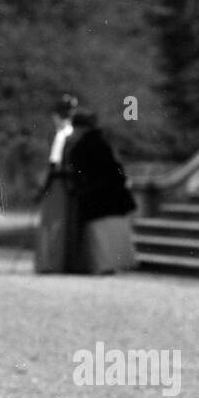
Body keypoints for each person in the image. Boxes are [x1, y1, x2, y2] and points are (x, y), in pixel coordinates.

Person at [66, 109, 137, 274]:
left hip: (96, 196)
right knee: (111, 232)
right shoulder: (101, 143)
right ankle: (111, 264)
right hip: (110, 195)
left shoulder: (82, 147)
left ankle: (103, 265)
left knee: (100, 234)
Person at [33, 94, 80, 273]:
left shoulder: (61, 135)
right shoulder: (73, 134)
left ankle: (50, 263)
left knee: (51, 223)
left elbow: (54, 165)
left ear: (58, 116)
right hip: (68, 184)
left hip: (58, 185)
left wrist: (42, 189)